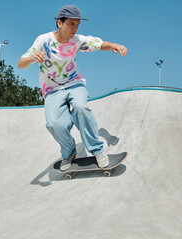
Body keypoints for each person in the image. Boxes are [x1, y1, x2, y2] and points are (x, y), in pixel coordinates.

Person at [17, 5, 127, 171]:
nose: (74, 29)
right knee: (54, 124)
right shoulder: (43, 40)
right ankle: (69, 152)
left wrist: (114, 45)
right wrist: (32, 58)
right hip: (52, 89)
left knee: (81, 108)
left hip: (74, 82)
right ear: (59, 23)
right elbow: (20, 64)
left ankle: (97, 150)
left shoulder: (78, 41)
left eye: (77, 25)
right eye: (71, 24)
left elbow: (99, 44)